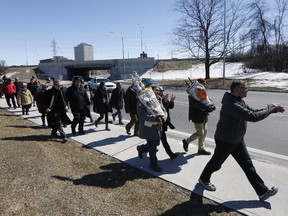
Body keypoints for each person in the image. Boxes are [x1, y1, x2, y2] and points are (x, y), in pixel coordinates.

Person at [198, 80, 285, 201]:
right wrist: (271, 108)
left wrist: (271, 109)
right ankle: (204, 179)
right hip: (226, 140)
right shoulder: (231, 105)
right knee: (216, 163)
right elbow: (253, 117)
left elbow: (253, 112)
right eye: (245, 88)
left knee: (248, 165)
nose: (247, 90)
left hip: (237, 139)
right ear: (237, 89)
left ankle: (262, 192)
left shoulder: (238, 101)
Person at [182, 78, 216, 155]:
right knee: (200, 133)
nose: (205, 85)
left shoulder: (202, 91)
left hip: (204, 115)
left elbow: (207, 100)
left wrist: (212, 105)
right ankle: (186, 141)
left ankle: (201, 149)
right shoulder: (192, 94)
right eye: (204, 83)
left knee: (204, 132)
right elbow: (196, 104)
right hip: (197, 116)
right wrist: (207, 107)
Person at [136, 86, 164, 172]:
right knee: (153, 147)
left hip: (157, 126)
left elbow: (162, 109)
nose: (158, 91)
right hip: (149, 128)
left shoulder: (156, 99)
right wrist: (155, 117)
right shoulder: (141, 101)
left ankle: (142, 148)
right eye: (156, 89)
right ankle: (153, 164)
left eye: (158, 90)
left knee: (156, 144)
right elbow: (142, 115)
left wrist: (163, 115)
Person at [156, 86, 179, 160]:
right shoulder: (155, 100)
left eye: (162, 91)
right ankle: (171, 154)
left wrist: (171, 101)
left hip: (164, 122)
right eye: (160, 91)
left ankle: (143, 148)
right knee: (160, 140)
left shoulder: (163, 98)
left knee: (159, 140)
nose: (162, 92)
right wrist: (164, 100)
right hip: (159, 123)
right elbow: (161, 109)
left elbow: (170, 107)